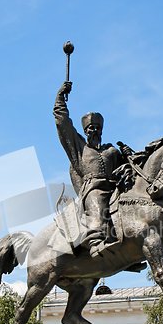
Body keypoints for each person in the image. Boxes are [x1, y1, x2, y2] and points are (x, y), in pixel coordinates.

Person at [53, 81, 133, 257]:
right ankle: (97, 241)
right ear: (85, 131)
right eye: (90, 128)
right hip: (93, 189)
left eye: (97, 128)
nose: (94, 130)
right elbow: (63, 124)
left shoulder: (111, 150)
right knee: (97, 200)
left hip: (114, 187)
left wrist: (128, 155)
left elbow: (129, 169)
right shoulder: (80, 148)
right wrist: (60, 98)